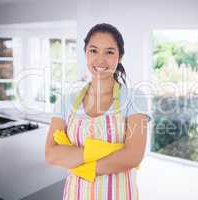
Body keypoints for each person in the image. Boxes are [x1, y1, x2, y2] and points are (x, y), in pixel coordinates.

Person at [45, 23, 151, 200]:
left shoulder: (135, 98)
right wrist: (113, 151)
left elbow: (133, 156)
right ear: (85, 53)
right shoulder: (66, 101)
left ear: (120, 56)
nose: (100, 60)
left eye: (109, 52)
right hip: (75, 195)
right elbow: (51, 154)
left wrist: (80, 165)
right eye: (93, 51)